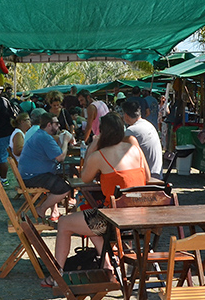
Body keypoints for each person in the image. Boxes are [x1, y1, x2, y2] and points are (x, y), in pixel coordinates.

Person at [44, 113, 149, 286]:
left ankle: (57, 275)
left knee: (64, 223)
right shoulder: (135, 150)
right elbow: (147, 176)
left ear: (102, 132)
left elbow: (84, 177)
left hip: (113, 221)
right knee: (88, 214)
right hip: (138, 217)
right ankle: (109, 267)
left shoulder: (100, 155)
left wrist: (94, 144)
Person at [17, 113, 74, 222]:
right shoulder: (44, 137)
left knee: (61, 177)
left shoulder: (40, 135)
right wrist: (66, 141)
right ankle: (41, 209)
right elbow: (60, 157)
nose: (58, 126)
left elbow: (55, 153)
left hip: (29, 174)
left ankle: (52, 210)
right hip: (32, 177)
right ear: (49, 125)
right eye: (56, 124)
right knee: (64, 189)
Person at [122, 99, 163, 179]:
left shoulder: (132, 131)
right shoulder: (148, 124)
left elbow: (122, 156)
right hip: (157, 174)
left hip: (147, 177)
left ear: (126, 115)